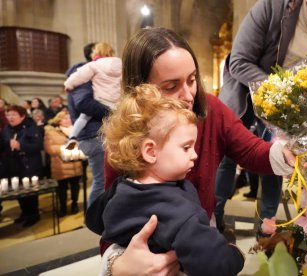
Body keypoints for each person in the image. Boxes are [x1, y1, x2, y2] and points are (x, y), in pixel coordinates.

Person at [102, 27, 307, 275]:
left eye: (192, 80)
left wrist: (292, 151)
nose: (188, 95)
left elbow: (251, 150)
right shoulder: (126, 134)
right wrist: (118, 266)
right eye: (170, 86)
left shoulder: (212, 110)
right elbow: (110, 220)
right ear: (141, 89)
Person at [216, 0, 307, 235]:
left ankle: (267, 229)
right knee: (227, 157)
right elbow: (238, 62)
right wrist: (279, 91)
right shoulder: (271, 8)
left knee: (278, 161)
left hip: (292, 108)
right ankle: (213, 219)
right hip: (245, 96)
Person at [86, 84, 245, 276]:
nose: (194, 155)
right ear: (151, 151)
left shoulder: (122, 185)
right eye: (186, 147)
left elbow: (94, 220)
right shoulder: (179, 212)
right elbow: (216, 265)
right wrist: (236, 255)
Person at [66, 43, 109, 207]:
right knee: (102, 182)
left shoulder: (88, 74)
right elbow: (84, 103)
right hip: (94, 136)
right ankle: (93, 222)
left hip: (95, 134)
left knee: (106, 181)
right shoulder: (84, 74)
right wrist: (113, 112)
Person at [64, 42, 121, 149]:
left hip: (101, 99)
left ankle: (72, 137)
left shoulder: (94, 65)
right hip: (117, 102)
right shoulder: (121, 64)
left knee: (84, 116)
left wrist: (68, 85)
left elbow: (78, 77)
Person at [0, 105, 43, 227]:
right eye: (8, 115)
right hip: (13, 165)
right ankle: (25, 213)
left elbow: (38, 146)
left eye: (13, 115)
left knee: (30, 192)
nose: (10, 117)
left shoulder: (31, 127)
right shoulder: (7, 128)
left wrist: (21, 146)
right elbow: (4, 144)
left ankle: (33, 215)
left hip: (29, 165)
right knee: (18, 190)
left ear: (22, 116)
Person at [44, 110, 83, 217]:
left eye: (69, 118)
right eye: (65, 118)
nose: (68, 120)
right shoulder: (51, 132)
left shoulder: (77, 130)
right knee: (62, 188)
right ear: (59, 120)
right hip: (60, 165)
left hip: (75, 164)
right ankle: (63, 207)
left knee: (75, 186)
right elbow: (49, 148)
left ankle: (74, 204)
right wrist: (63, 148)